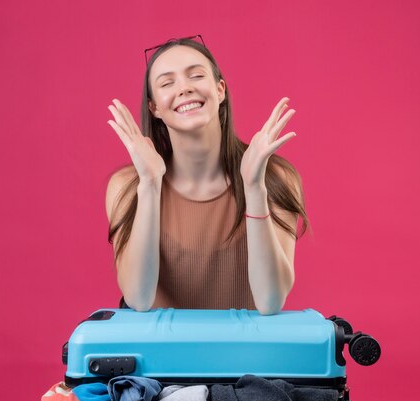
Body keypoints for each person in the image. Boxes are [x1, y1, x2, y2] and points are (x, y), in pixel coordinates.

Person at [105, 36, 308, 315]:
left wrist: (254, 188)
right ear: (154, 108)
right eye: (167, 83)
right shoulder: (127, 187)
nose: (185, 88)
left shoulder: (274, 178)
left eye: (196, 76)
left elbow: (271, 301)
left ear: (220, 90)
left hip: (247, 356)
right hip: (164, 356)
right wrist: (150, 185)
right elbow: (139, 298)